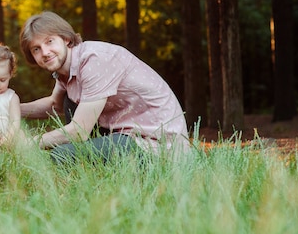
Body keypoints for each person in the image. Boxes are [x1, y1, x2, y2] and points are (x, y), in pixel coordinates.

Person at [19, 11, 190, 164]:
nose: (45, 52)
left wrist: (27, 143)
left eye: (50, 41)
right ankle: (87, 159)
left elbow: (78, 131)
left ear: (66, 39)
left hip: (159, 145)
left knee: (62, 156)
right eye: (36, 49)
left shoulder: (94, 60)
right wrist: (5, 108)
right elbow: (53, 105)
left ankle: (83, 161)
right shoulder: (67, 69)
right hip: (124, 134)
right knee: (68, 103)